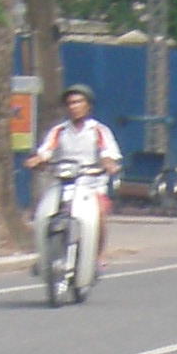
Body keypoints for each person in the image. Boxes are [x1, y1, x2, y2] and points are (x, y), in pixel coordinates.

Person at [32, 83, 122, 265]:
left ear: (88, 105)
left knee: (100, 215)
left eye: (79, 102)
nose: (74, 107)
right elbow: (46, 151)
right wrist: (38, 160)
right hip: (63, 183)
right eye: (70, 103)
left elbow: (108, 153)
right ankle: (43, 256)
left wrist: (109, 163)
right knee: (43, 215)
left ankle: (98, 254)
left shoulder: (99, 130)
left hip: (92, 184)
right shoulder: (59, 131)